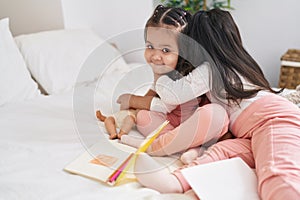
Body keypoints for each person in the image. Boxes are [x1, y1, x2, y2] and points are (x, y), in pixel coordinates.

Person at [135, 8, 300, 199]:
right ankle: (177, 182)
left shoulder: (210, 70)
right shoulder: (236, 64)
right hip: (251, 132)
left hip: (273, 120)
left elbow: (173, 96)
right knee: (222, 152)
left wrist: (160, 76)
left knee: (278, 174)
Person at [117, 5, 230, 157]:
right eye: (150, 46)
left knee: (210, 122)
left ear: (184, 51)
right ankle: (186, 145)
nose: (156, 56)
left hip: (197, 122)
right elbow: (154, 91)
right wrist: (135, 110)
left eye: (165, 50)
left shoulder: (192, 73)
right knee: (143, 117)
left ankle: (181, 145)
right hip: (176, 123)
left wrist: (132, 100)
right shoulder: (165, 68)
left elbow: (165, 106)